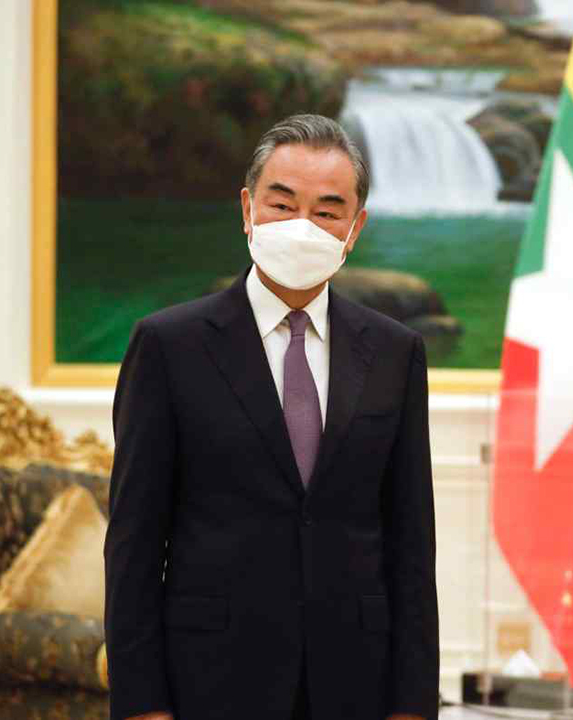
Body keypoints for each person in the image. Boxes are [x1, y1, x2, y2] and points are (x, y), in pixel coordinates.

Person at [104, 114, 439, 720]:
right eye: (282, 205)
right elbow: (133, 541)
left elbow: (412, 543)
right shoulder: (169, 346)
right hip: (210, 681)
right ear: (247, 209)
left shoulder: (396, 352)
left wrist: (413, 704)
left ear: (355, 229)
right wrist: (141, 705)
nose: (301, 226)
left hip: (355, 684)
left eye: (327, 211)